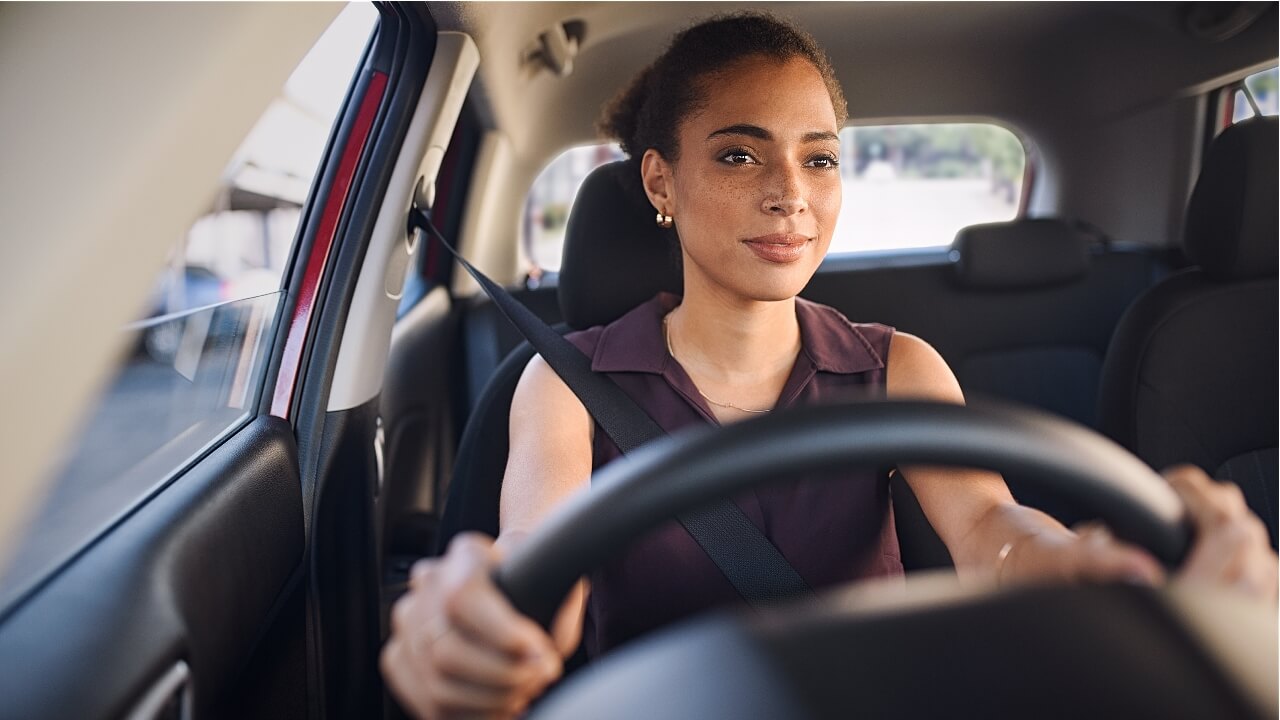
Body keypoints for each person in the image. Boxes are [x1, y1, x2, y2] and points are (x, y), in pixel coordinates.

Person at [382, 12, 1277, 719]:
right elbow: (541, 562)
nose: (791, 194)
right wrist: (481, 626)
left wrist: (1088, 567)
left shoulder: (900, 366)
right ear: (661, 183)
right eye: (739, 154)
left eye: (819, 159)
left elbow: (992, 532)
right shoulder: (568, 382)